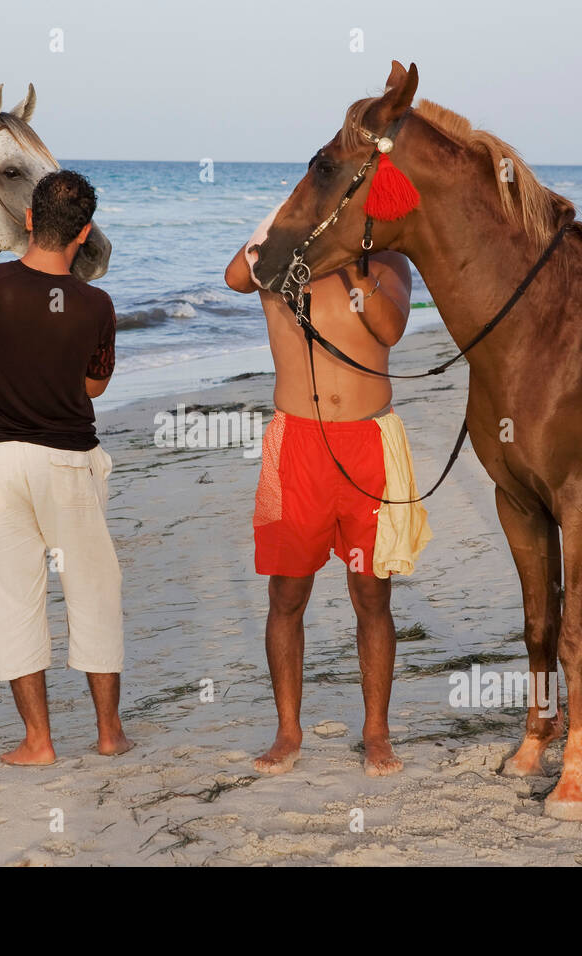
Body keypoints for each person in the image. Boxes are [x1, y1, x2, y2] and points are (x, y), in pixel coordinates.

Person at [224, 211, 429, 777]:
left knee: (372, 596)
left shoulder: (387, 264)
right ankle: (288, 731)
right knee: (287, 597)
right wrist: (275, 225)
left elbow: (388, 328)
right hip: (297, 447)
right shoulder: (280, 261)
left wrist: (355, 266)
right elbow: (234, 280)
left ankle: (376, 732)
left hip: (370, 446)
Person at [0, 170, 131, 765]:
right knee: (94, 596)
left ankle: (39, 742)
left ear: (27, 218)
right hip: (69, 463)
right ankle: (107, 734)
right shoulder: (96, 304)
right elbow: (94, 386)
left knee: (12, 601)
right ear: (85, 233)